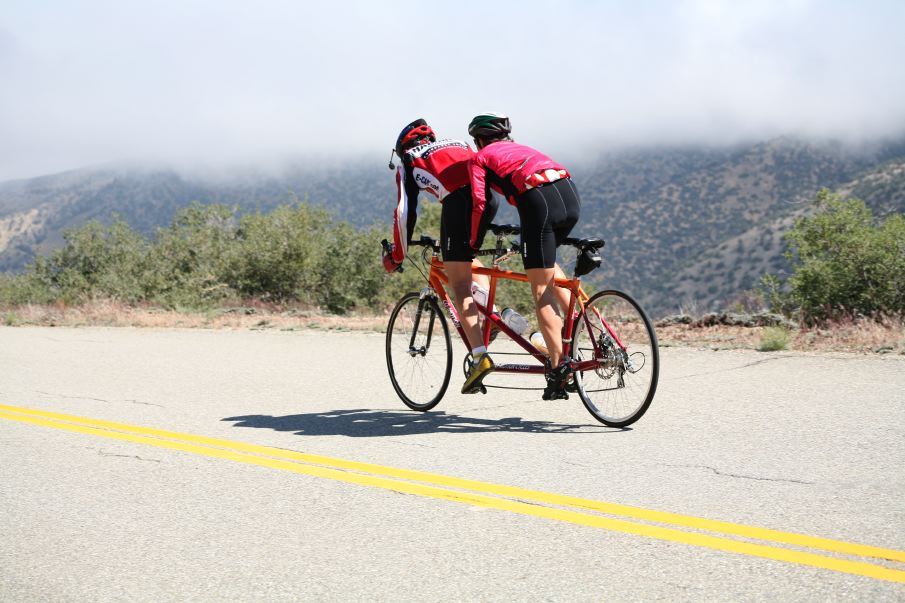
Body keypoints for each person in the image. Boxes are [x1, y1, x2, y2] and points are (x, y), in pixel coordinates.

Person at [464, 112, 581, 400]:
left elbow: (480, 202)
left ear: (479, 139)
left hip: (538, 202)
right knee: (548, 268)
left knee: (540, 290)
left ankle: (558, 368)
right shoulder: (523, 148)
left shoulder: (480, 157)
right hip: (569, 195)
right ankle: (586, 329)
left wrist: (473, 241)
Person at [383, 118, 499, 393]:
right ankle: (493, 312)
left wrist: (397, 255)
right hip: (489, 199)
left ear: (403, 148)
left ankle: (479, 357)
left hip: (458, 202)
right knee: (466, 257)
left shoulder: (410, 161)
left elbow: (404, 213)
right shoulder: (457, 143)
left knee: (458, 282)